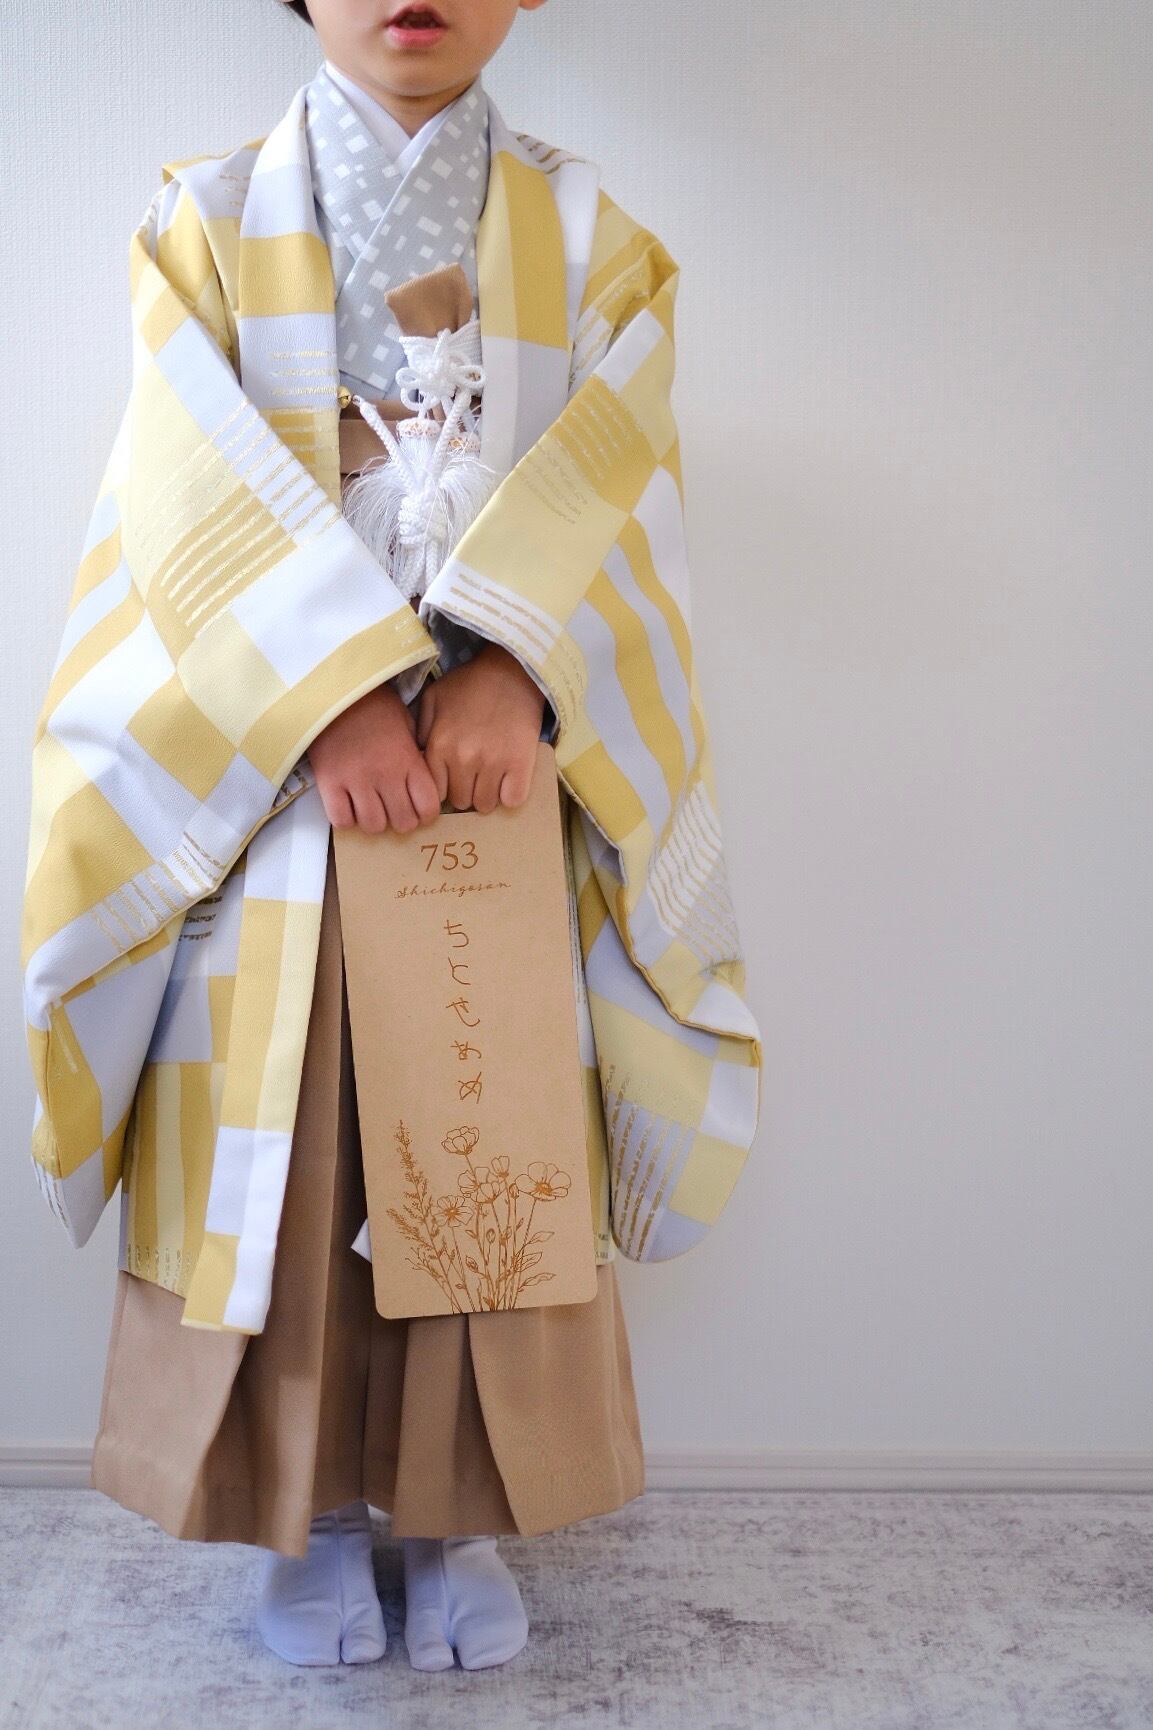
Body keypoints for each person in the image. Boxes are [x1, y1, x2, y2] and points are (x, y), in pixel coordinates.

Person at [19, 0, 763, 1680]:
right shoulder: (205, 221)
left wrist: (512, 665)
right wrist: (333, 694)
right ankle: (298, 1513)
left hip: (493, 771)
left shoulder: (593, 236)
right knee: (291, 1139)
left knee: (485, 1112)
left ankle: (458, 1514)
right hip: (279, 775)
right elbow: (180, 491)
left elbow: (617, 488)